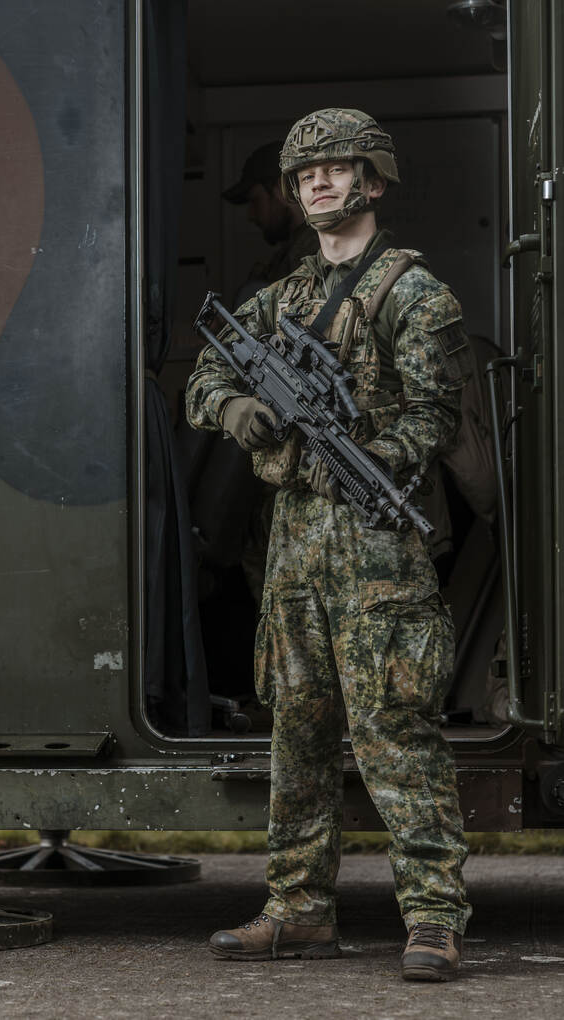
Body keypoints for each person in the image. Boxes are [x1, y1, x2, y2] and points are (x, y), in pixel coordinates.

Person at [185, 108, 473, 981]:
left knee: (395, 731)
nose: (316, 183)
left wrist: (373, 456)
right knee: (297, 732)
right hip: (294, 542)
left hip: (377, 539)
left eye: (336, 169)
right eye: (304, 174)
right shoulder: (281, 299)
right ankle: (298, 909)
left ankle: (433, 918)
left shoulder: (415, 295)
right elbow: (205, 373)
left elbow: (437, 415)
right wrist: (237, 408)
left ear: (372, 181)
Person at [222, 140, 318, 306]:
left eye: (255, 201)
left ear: (283, 189)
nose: (251, 215)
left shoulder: (317, 252)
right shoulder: (292, 251)